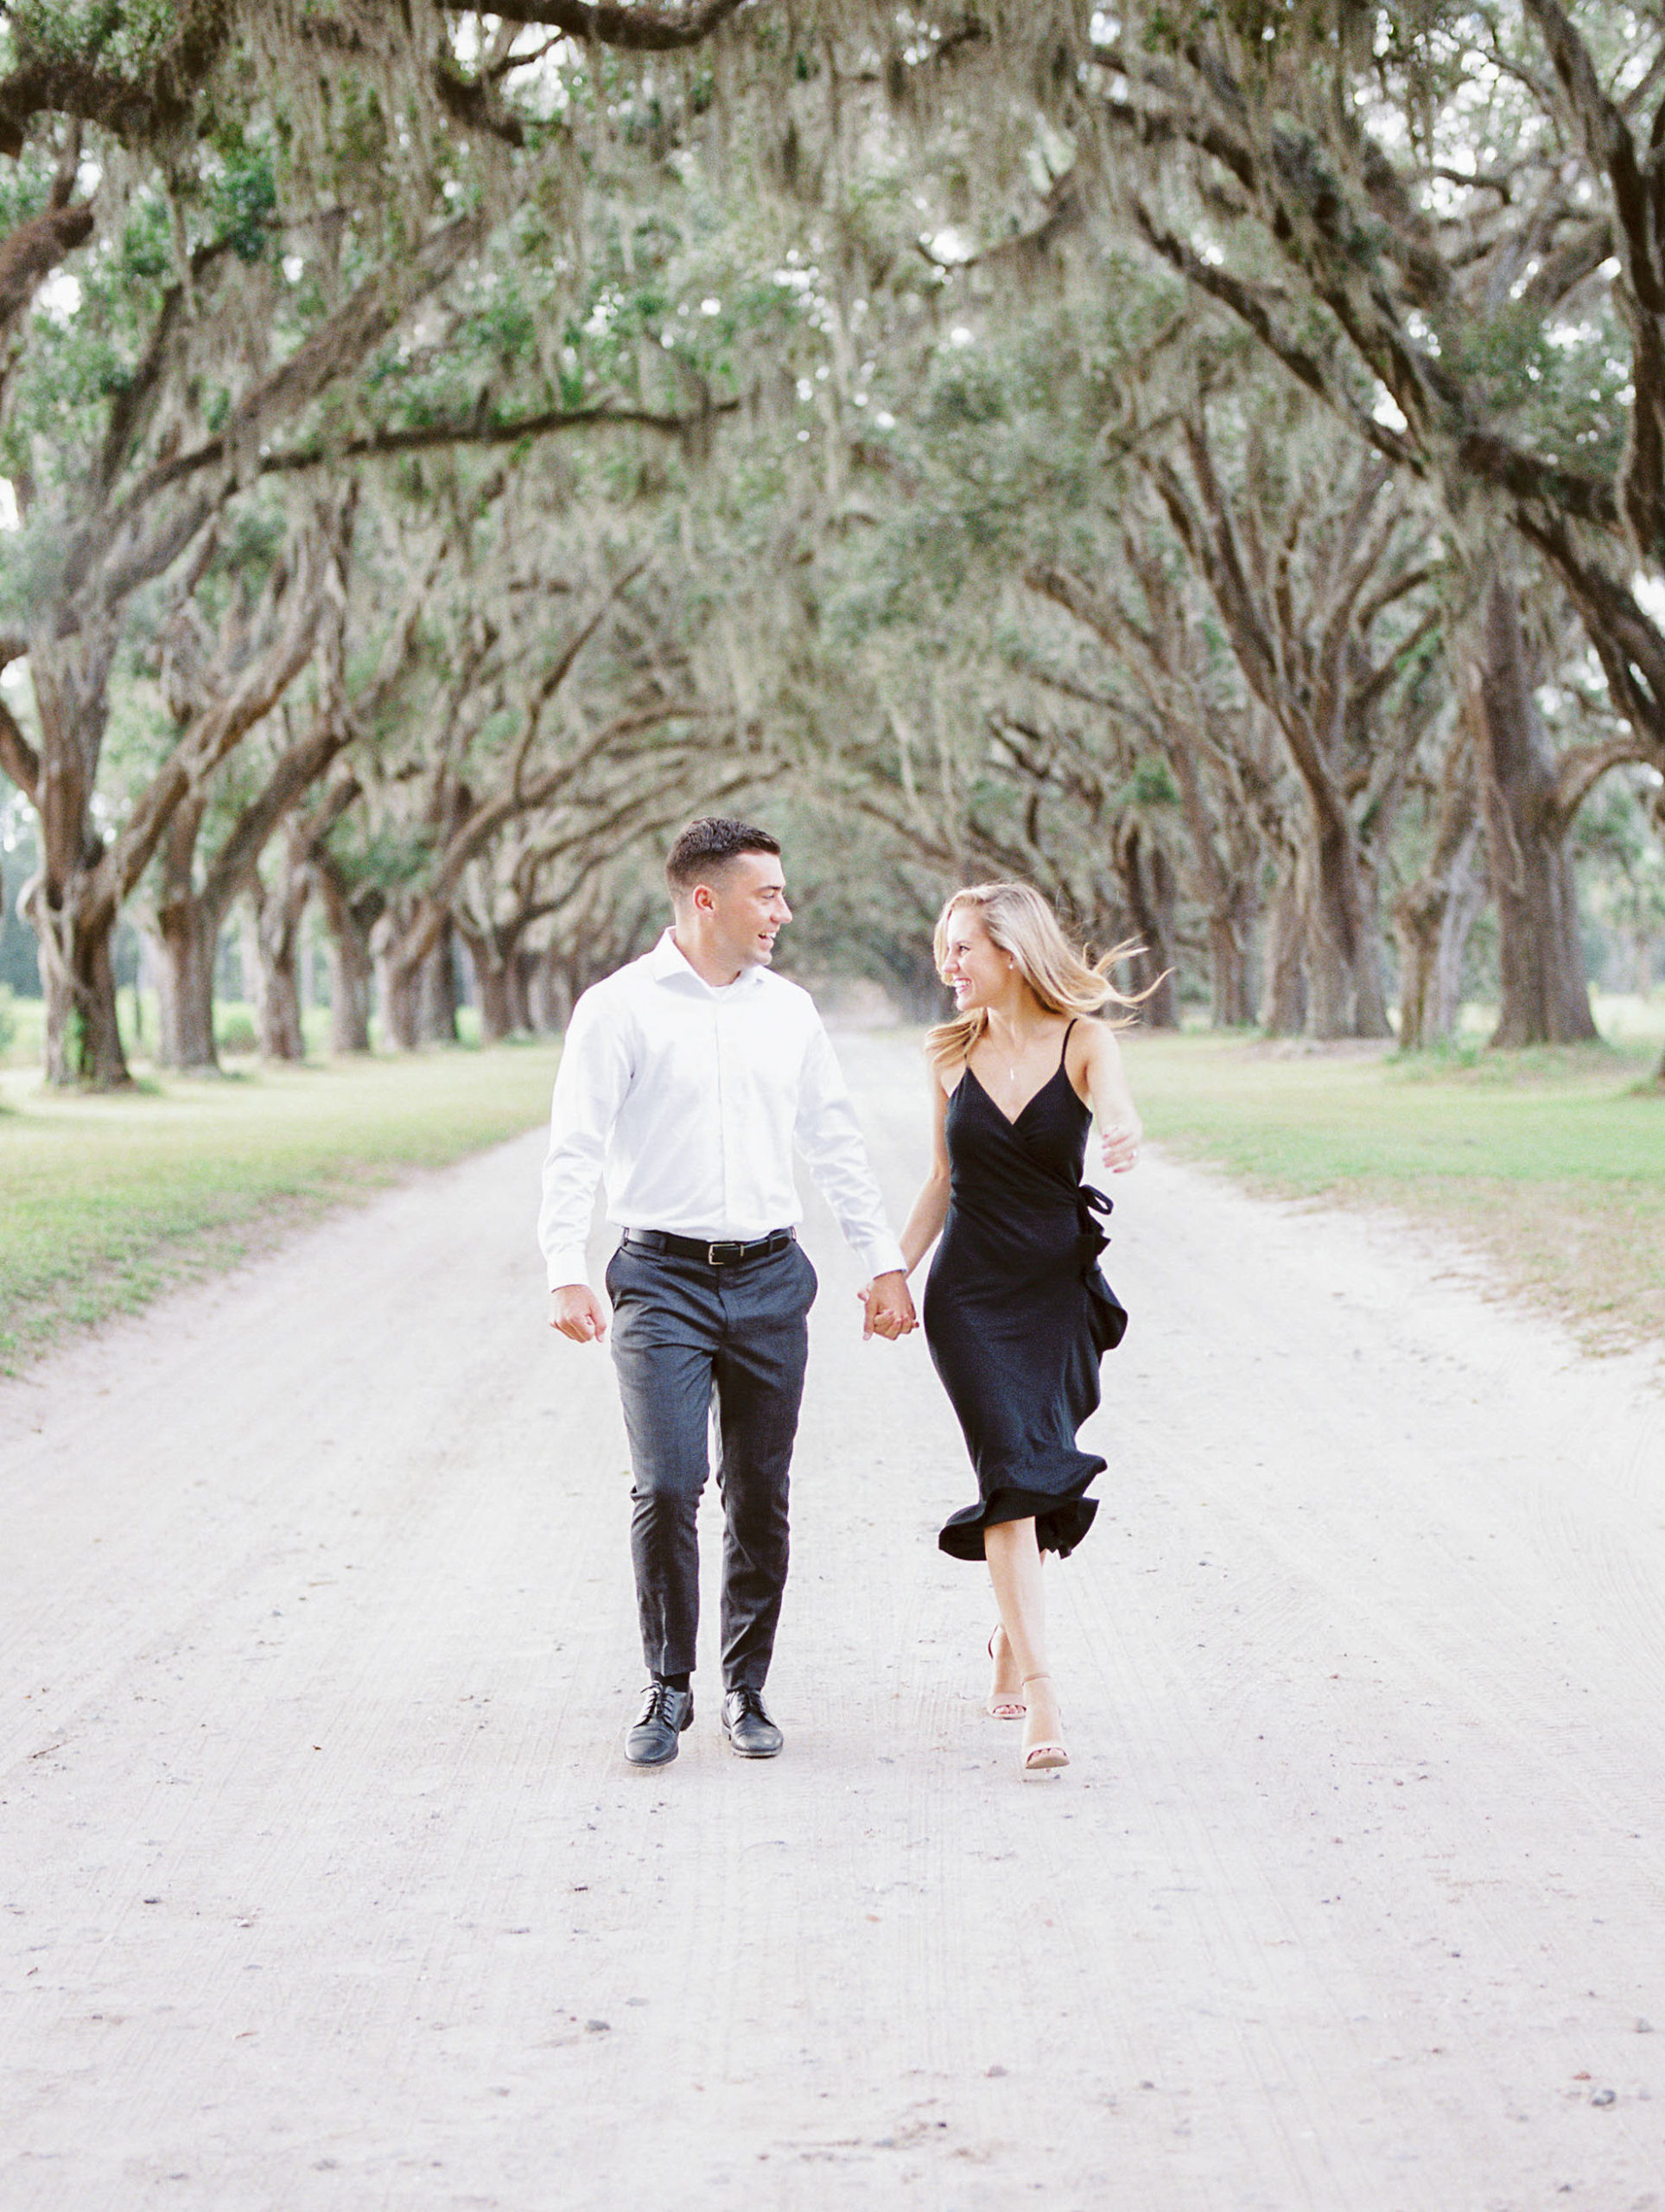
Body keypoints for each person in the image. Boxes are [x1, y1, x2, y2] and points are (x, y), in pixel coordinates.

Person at [538, 817, 916, 1768]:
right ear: (705, 899)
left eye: (782, 894)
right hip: (660, 1276)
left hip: (769, 1276)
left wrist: (882, 1262)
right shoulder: (617, 1007)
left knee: (759, 1492)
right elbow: (575, 1144)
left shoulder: (786, 1010)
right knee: (668, 1484)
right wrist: (564, 1267)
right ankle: (668, 1686)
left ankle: (747, 1688)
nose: (783, 911)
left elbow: (833, 1140)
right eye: (768, 894)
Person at [891, 884, 1144, 1777]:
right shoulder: (947, 1052)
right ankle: (1042, 1688)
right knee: (1007, 1467)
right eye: (944, 948)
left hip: (1054, 1290)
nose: (947, 965)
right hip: (969, 1298)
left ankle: (1009, 1625)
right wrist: (894, 1271)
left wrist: (1119, 1129)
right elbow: (937, 1180)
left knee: (1034, 1464)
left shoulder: (1083, 1040)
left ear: (1012, 952)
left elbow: (1112, 1104)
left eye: (962, 948)